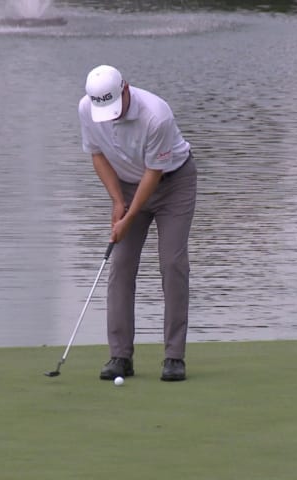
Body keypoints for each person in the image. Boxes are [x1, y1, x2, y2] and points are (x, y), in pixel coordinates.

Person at [78, 65, 197, 382]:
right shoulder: (87, 108)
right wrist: (118, 201)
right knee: (121, 265)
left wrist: (129, 217)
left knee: (172, 263)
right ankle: (120, 356)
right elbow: (97, 155)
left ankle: (174, 357)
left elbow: (153, 174)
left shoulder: (156, 115)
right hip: (129, 186)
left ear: (126, 89)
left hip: (173, 184)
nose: (112, 116)